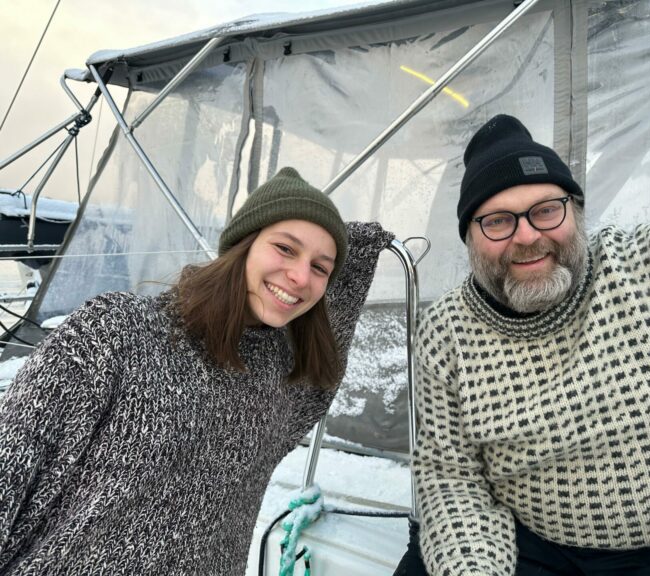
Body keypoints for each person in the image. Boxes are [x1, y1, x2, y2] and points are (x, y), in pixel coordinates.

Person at [411, 115, 650, 575]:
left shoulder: (649, 264)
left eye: (545, 210)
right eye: (497, 221)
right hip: (534, 544)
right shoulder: (445, 330)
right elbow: (451, 475)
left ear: (575, 211)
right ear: (469, 238)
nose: (527, 236)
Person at [0, 166, 394, 575]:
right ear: (243, 244)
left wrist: (357, 260)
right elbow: (9, 471)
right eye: (285, 248)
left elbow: (320, 382)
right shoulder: (117, 331)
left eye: (320, 268)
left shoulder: (280, 381)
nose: (299, 276)